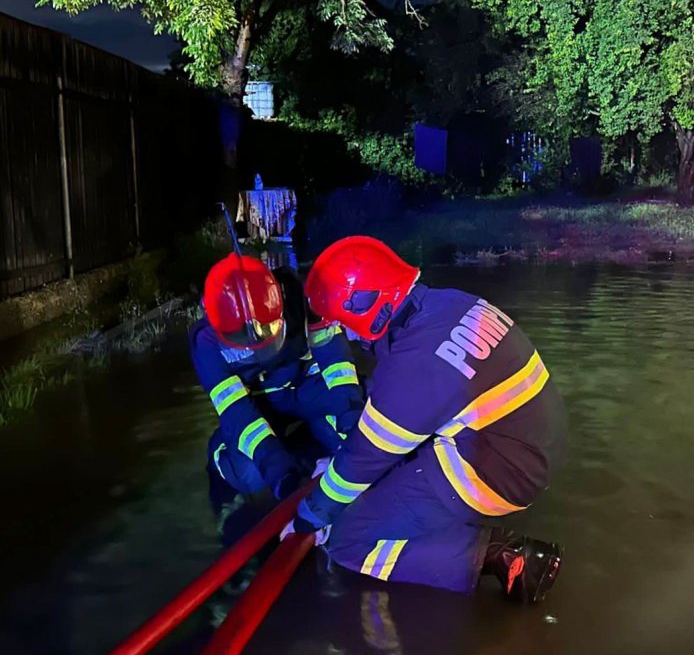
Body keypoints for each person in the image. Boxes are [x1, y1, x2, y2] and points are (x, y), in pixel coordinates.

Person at [281, 236, 566, 603]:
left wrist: (309, 516)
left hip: (501, 468)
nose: (347, 335)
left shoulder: (413, 367)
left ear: (366, 308)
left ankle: (505, 556)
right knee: (372, 486)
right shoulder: (444, 303)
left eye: (345, 324)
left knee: (347, 536)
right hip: (532, 440)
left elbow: (362, 462)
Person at [190, 253, 364, 502]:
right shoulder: (205, 341)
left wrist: (352, 419)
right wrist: (283, 478)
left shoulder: (305, 296)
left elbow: (336, 363)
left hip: (306, 386)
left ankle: (309, 448)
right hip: (257, 405)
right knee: (249, 473)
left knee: (361, 427)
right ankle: (227, 458)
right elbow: (236, 411)